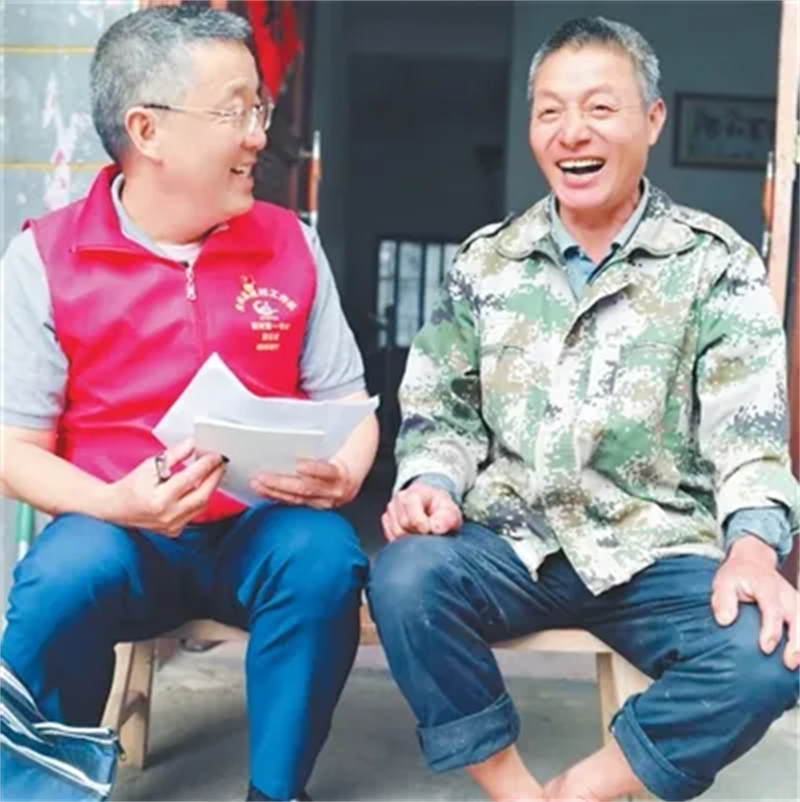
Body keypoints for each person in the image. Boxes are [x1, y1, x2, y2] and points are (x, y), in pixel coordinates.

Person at [367, 16, 799, 802]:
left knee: (771, 650)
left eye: (600, 108)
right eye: (550, 111)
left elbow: (751, 440)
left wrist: (751, 551)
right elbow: (441, 410)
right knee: (403, 578)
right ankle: (511, 789)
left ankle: (577, 791)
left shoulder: (715, 265)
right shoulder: (488, 263)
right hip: (512, 543)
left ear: (652, 119)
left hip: (656, 550)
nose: (572, 132)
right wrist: (430, 481)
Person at [0, 6, 378, 802]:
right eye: (234, 112)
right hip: (117, 532)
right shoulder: (45, 257)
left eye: (259, 109)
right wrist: (117, 503)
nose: (258, 137)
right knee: (59, 578)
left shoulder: (290, 243)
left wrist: (343, 471)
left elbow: (350, 401)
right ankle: (45, 790)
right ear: (148, 130)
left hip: (256, 527)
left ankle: (277, 791)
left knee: (324, 558)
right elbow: (12, 451)